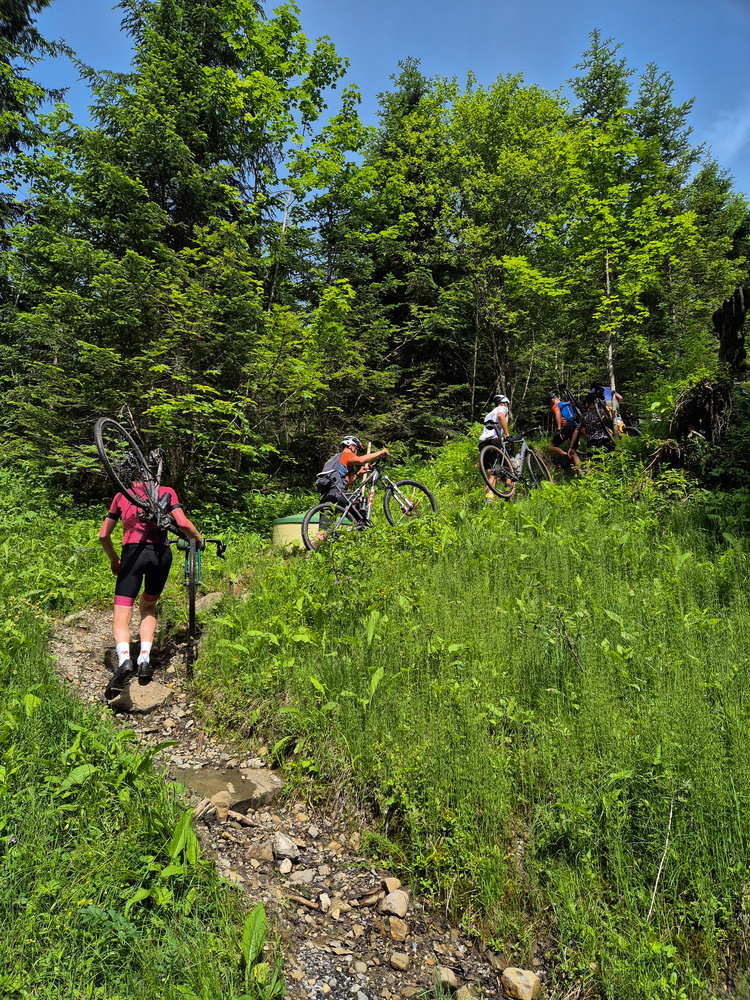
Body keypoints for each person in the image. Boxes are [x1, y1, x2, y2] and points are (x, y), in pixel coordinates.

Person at [99, 481, 202, 698]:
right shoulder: (167, 491)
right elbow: (182, 522)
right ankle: (144, 659)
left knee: (122, 614)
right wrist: (198, 539)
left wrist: (114, 560)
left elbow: (103, 535)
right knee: (148, 606)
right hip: (160, 556)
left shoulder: (121, 495)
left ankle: (125, 659)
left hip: (132, 555)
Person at [313, 436, 391, 540]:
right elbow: (361, 460)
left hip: (326, 496)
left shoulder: (332, 460)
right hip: (339, 495)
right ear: (351, 446)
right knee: (361, 518)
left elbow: (346, 484)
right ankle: (355, 542)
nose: (356, 453)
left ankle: (308, 554)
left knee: (322, 533)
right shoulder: (347, 455)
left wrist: (358, 474)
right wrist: (380, 452)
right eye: (357, 449)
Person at [478, 394, 510, 503]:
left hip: (482, 443)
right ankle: (508, 489)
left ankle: (489, 500)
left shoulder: (488, 415)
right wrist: (507, 435)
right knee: (510, 464)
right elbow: (501, 416)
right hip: (493, 441)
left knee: (491, 473)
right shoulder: (503, 408)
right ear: (505, 403)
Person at [568, 392, 615, 460]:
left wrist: (571, 447)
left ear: (587, 404)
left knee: (595, 467)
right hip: (605, 442)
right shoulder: (603, 412)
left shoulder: (584, 416)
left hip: (592, 444)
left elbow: (576, 432)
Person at [548, 390, 582, 470]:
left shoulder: (556, 405)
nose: (551, 405)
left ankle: (566, 456)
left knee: (551, 446)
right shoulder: (568, 404)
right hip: (576, 427)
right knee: (574, 452)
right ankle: (582, 473)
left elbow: (558, 415)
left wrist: (559, 428)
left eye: (550, 403)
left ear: (552, 400)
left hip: (567, 427)